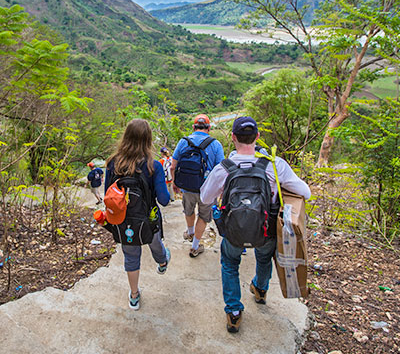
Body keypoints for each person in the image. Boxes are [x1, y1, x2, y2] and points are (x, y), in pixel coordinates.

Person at [200, 116, 311, 333]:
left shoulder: (225, 168)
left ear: (233, 138)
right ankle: (260, 290)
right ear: (257, 137)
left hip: (233, 231)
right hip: (265, 229)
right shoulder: (274, 165)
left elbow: (205, 198)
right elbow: (305, 192)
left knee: (230, 264)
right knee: (263, 257)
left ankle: (233, 312)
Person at [104, 119, 171, 311]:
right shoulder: (153, 166)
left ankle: (134, 296)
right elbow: (165, 200)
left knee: (131, 256)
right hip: (149, 219)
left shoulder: (113, 164)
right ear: (148, 139)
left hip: (124, 220)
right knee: (155, 242)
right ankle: (162, 262)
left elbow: (107, 195)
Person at [171, 114, 224, 258]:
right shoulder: (215, 144)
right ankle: (195, 246)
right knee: (203, 216)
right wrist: (220, 191)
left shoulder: (183, 142)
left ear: (194, 127)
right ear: (209, 128)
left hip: (187, 187)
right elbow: (221, 171)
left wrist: (175, 183)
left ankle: (190, 231)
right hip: (207, 189)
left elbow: (173, 166)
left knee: (188, 210)